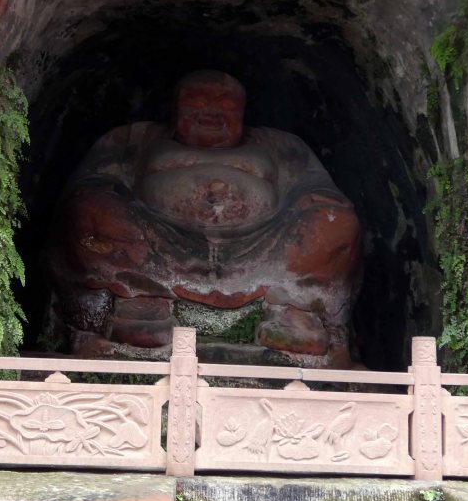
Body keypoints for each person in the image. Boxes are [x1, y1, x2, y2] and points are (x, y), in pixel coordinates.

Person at [47, 71, 361, 363]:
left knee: (336, 225)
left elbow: (318, 188)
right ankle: (141, 299)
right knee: (87, 213)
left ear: (243, 112)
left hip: (264, 245)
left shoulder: (281, 145)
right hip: (156, 242)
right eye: (196, 105)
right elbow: (92, 183)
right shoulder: (135, 138)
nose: (211, 114)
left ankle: (293, 308)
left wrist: (318, 205)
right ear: (174, 111)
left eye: (225, 106)